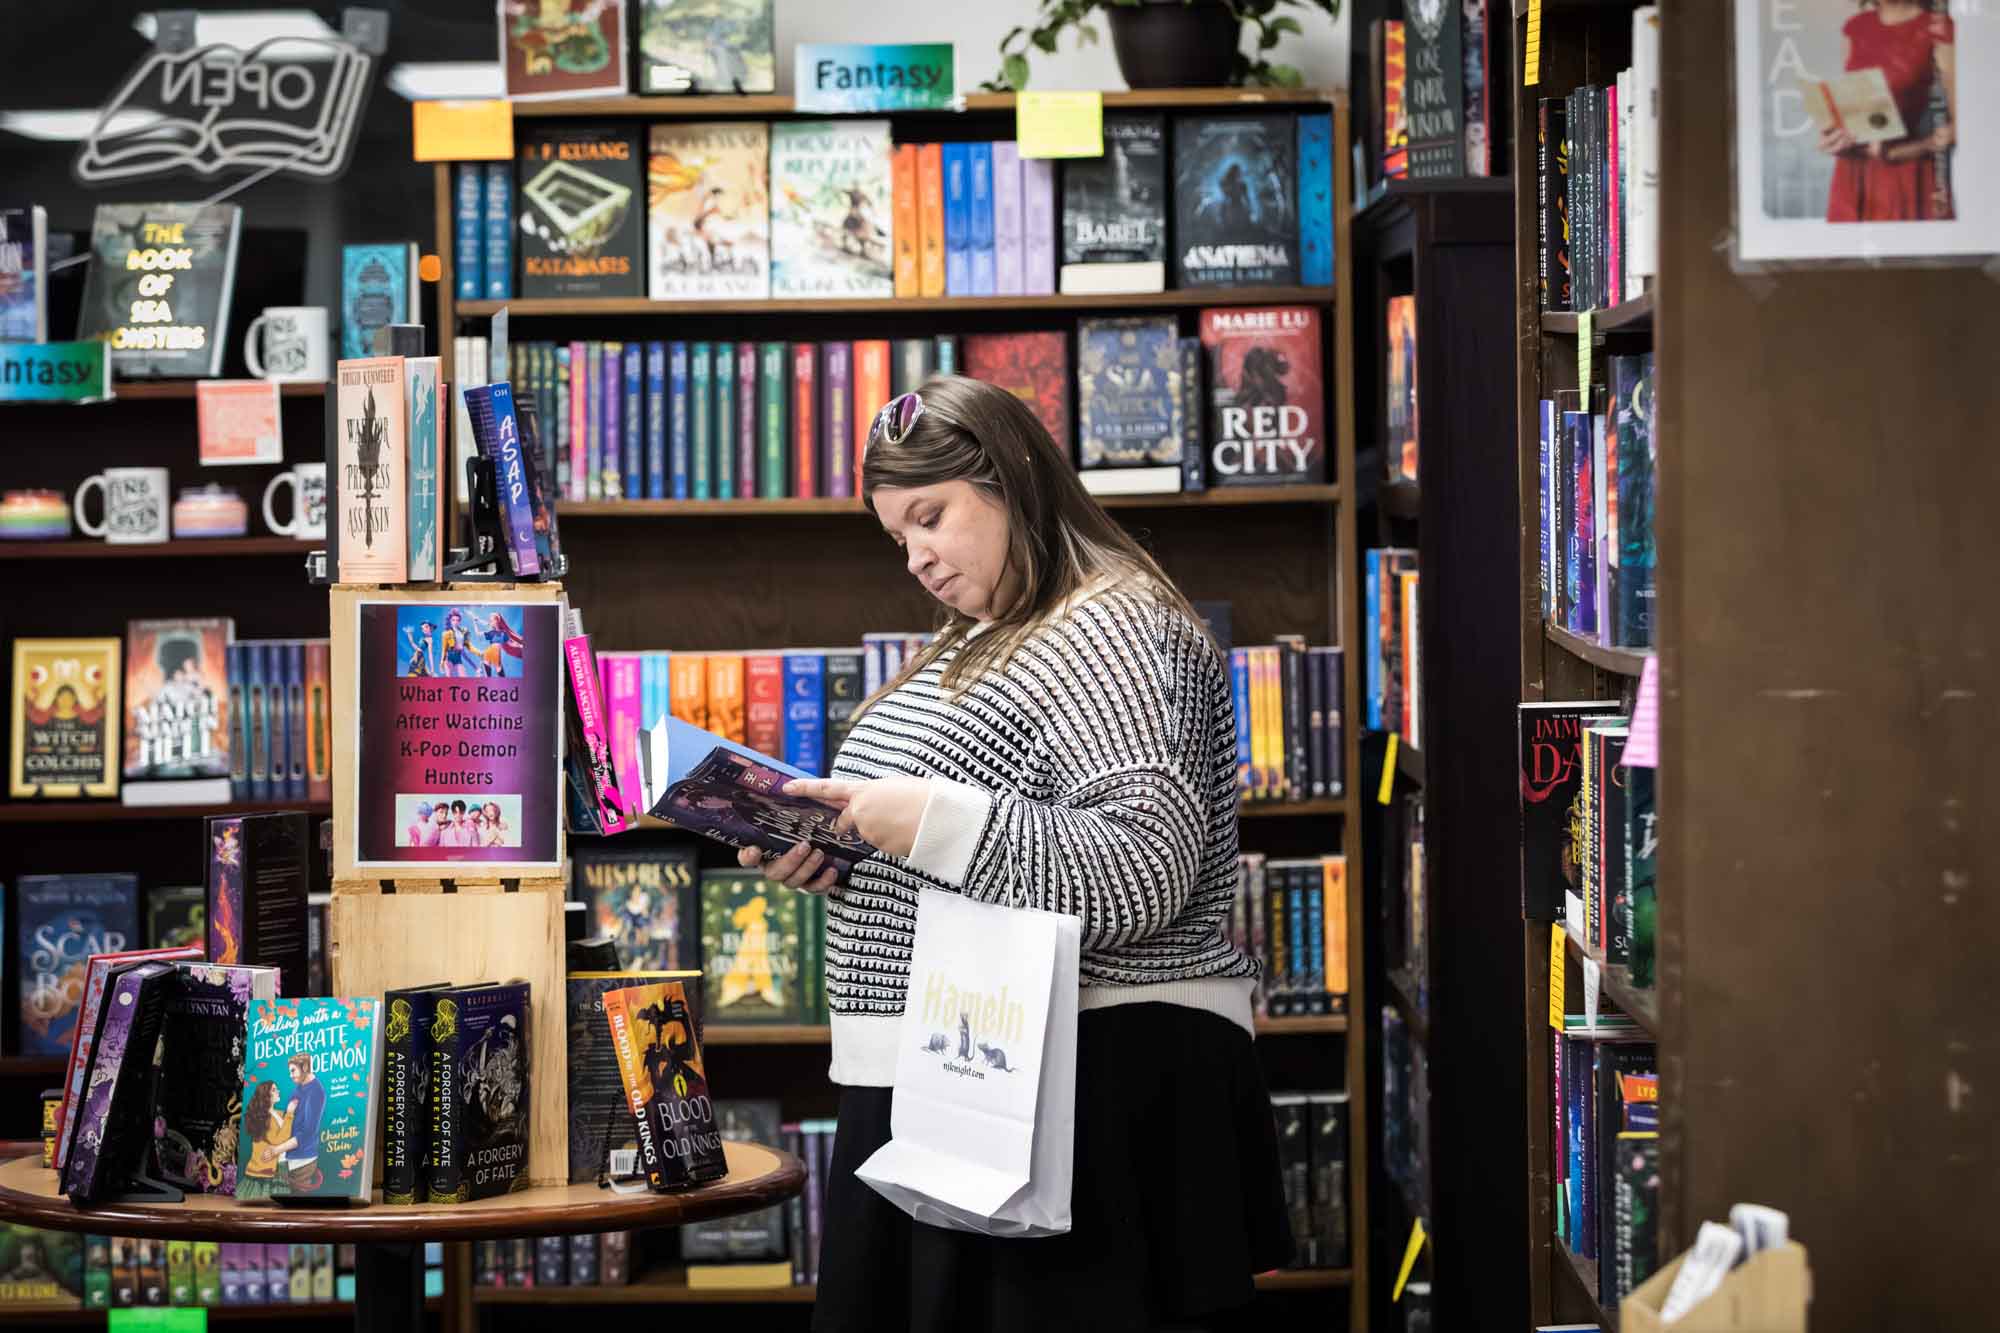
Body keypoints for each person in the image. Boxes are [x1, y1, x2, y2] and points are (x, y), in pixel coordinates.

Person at [746, 377, 1290, 1332]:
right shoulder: (986, 632)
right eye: (897, 537)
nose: (915, 557)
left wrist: (923, 822)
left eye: (931, 516)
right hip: (965, 1069)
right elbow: (969, 847)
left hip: (1082, 1083)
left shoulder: (1114, 620)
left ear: (1012, 481)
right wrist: (834, 852)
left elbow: (1142, 863)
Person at [1820, 0, 1957, 221]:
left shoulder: (1938, 26)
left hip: (1907, 175)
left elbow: (1963, 125)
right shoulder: (1856, 26)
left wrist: (1903, 151)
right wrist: (1834, 136)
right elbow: (1850, 107)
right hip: (1853, 172)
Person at [234, 1082, 292, 1200]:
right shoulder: (264, 1117)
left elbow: (289, 1133)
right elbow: (278, 1140)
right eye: (274, 1090)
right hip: (265, 1170)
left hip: (281, 1164)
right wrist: (290, 1114)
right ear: (266, 1095)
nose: (278, 1091)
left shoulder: (279, 1114)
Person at [278, 1054, 326, 1191]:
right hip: (289, 1156)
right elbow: (290, 1116)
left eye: (293, 1070)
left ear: (305, 1067)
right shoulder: (300, 1086)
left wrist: (277, 1150)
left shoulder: (316, 1092)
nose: (291, 1075)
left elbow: (307, 1133)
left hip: (301, 1159)